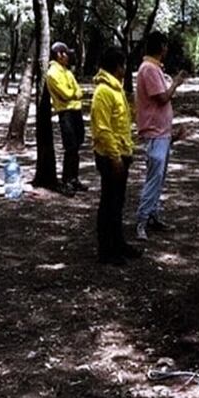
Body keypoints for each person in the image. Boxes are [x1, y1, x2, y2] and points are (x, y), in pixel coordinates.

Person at [90, 47, 141, 266]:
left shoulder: (116, 89)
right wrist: (115, 156)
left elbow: (120, 122)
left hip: (121, 152)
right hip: (111, 156)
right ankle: (106, 251)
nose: (125, 69)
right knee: (109, 203)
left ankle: (118, 243)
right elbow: (102, 129)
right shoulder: (103, 92)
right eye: (124, 65)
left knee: (118, 202)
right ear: (118, 66)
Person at [134, 31, 187, 242]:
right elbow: (162, 98)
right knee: (153, 179)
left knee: (159, 178)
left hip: (161, 133)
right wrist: (175, 83)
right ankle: (142, 219)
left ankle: (153, 215)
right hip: (154, 133)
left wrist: (172, 135)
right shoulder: (148, 69)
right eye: (165, 46)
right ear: (162, 47)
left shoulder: (153, 68)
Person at [45, 41, 87, 195]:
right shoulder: (52, 73)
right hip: (65, 113)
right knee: (70, 147)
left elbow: (78, 91)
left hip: (76, 111)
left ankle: (74, 178)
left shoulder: (67, 72)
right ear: (59, 55)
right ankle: (66, 180)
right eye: (66, 54)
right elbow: (66, 94)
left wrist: (73, 94)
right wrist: (73, 94)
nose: (68, 57)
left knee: (77, 145)